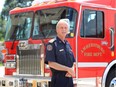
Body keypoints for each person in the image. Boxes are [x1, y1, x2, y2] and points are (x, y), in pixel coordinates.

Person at [45, 19, 75, 87]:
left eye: (65, 28)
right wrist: (68, 69)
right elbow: (51, 63)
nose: (64, 30)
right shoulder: (52, 44)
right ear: (57, 30)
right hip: (58, 81)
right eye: (61, 28)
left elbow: (73, 61)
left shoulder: (67, 44)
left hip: (69, 80)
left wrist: (72, 70)